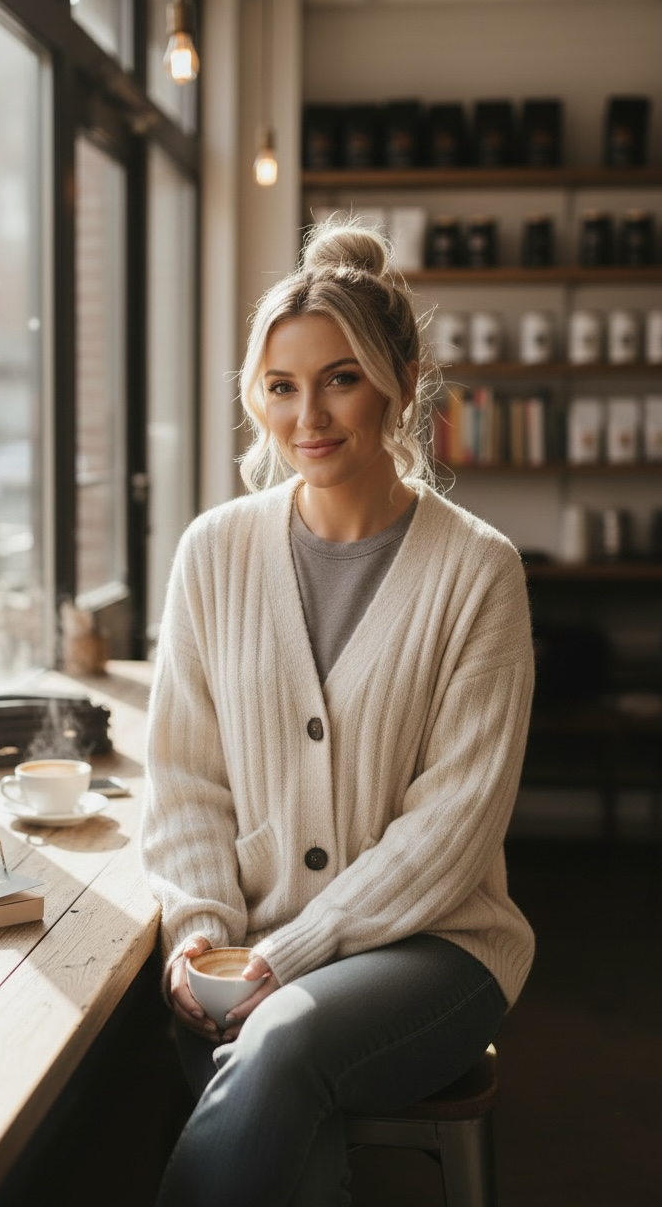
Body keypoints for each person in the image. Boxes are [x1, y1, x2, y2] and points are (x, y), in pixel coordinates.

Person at [141, 219, 535, 1207]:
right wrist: (199, 935)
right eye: (280, 386)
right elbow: (184, 779)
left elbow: (454, 828)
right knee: (278, 1094)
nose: (305, 415)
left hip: (437, 949)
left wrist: (284, 959)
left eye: (339, 378)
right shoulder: (213, 553)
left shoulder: (477, 571)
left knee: (278, 1043)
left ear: (400, 379)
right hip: (253, 955)